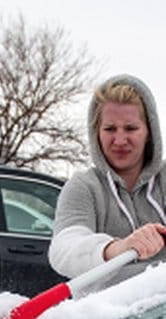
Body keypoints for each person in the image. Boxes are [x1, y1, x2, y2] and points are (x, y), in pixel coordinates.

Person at [50, 74, 166, 287]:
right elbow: (63, 249)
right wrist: (119, 248)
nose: (120, 140)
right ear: (97, 133)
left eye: (131, 128)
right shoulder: (83, 187)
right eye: (110, 129)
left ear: (150, 132)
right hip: (104, 313)